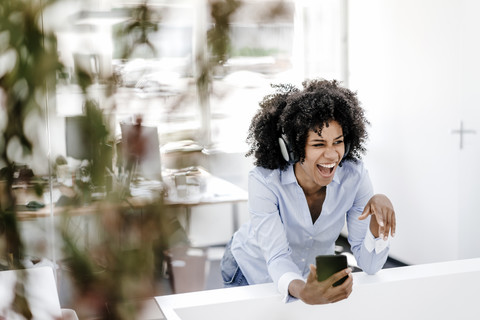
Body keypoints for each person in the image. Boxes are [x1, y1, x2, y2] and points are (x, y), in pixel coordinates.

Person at [220, 79, 396, 304]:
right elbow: (277, 257)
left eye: (338, 142)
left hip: (306, 278)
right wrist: (303, 292)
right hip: (250, 267)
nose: (332, 155)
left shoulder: (354, 177)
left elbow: (370, 265)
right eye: (318, 144)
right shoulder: (264, 181)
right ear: (293, 148)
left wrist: (377, 224)